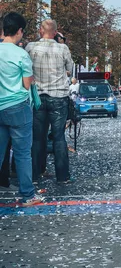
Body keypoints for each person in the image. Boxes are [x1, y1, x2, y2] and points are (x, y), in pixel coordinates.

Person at [0, 13, 43, 205]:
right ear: (19, 31)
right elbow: (26, 85)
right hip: (18, 107)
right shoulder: (21, 54)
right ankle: (28, 195)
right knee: (22, 153)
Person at [26, 19, 74, 184]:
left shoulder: (30, 47)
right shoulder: (63, 48)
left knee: (37, 138)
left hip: (38, 98)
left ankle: (34, 174)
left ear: (40, 30)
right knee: (59, 137)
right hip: (58, 97)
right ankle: (62, 176)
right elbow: (70, 69)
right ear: (55, 32)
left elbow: (26, 69)